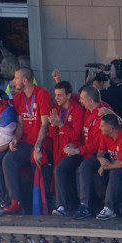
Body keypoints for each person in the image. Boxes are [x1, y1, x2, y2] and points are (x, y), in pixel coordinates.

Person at [2, 67, 52, 214]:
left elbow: (45, 124)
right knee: (8, 160)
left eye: (16, 78)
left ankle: (45, 206)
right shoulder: (18, 98)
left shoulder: (42, 94)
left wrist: (37, 149)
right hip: (26, 142)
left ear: (24, 80)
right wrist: (15, 139)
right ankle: (15, 201)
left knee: (38, 166)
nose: (14, 81)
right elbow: (21, 124)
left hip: (42, 143)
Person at [71, 85, 112, 220]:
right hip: (88, 153)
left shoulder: (102, 114)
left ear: (91, 101)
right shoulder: (88, 112)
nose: (80, 101)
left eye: (82, 99)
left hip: (102, 154)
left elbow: (99, 145)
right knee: (64, 166)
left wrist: (78, 150)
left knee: (86, 166)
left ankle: (85, 205)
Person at [46, 81, 85, 217]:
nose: (57, 98)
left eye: (60, 95)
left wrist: (60, 124)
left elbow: (75, 135)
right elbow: (50, 134)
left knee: (61, 170)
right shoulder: (55, 109)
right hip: (59, 149)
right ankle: (72, 205)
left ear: (69, 95)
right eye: (56, 95)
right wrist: (53, 124)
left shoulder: (77, 110)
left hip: (75, 151)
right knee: (67, 178)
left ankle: (61, 206)